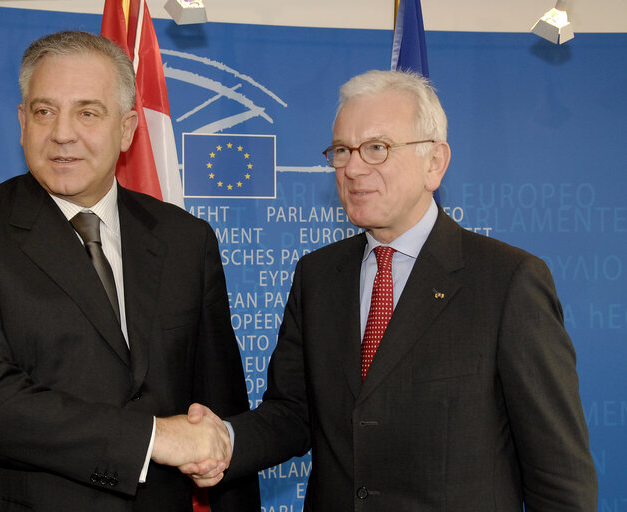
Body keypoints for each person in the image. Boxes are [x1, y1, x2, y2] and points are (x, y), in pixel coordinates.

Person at [186, 70, 597, 510]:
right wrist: (224, 440)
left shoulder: (508, 280)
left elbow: (560, 477)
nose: (353, 168)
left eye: (377, 148)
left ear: (434, 163)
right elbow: (293, 413)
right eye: (342, 150)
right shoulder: (317, 275)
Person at [0, 30, 258, 511]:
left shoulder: (185, 239)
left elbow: (220, 411)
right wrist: (151, 438)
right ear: (22, 121)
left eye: (88, 112)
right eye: (44, 111)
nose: (62, 133)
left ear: (127, 129)